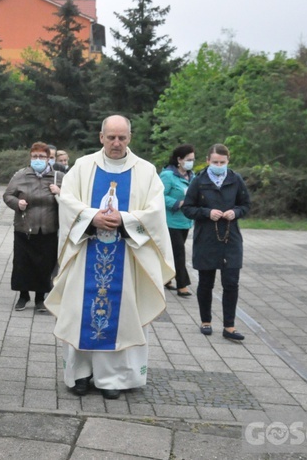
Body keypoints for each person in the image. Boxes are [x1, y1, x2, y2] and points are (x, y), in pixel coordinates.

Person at [45, 115, 174, 400]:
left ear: (130, 137)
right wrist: (92, 218)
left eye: (122, 137)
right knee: (81, 311)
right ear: (101, 136)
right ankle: (80, 375)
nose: (116, 143)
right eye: (111, 137)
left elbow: (155, 212)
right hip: (87, 252)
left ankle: (113, 379)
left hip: (126, 258)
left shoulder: (146, 171)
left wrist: (125, 220)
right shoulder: (83, 166)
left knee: (123, 314)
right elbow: (66, 200)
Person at [182, 143, 251, 342]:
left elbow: (245, 204)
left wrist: (235, 212)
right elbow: (188, 208)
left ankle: (229, 326)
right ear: (208, 161)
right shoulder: (199, 180)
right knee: (206, 282)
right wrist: (206, 212)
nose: (219, 165)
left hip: (231, 238)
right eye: (215, 162)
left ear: (228, 161)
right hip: (206, 238)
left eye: (222, 162)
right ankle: (206, 321)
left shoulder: (235, 179)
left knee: (231, 282)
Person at [3, 142, 63, 313]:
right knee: (23, 263)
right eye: (34, 156)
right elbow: (7, 195)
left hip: (48, 229)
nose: (38, 159)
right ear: (30, 157)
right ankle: (23, 297)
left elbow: (71, 199)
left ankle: (40, 298)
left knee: (45, 265)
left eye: (42, 157)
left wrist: (59, 192)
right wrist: (17, 203)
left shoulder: (58, 177)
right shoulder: (21, 175)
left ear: (48, 159)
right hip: (24, 228)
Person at [160, 144, 196, 296]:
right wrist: (177, 203)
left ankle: (165, 278)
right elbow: (159, 195)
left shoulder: (192, 176)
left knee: (172, 251)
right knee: (179, 253)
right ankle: (182, 284)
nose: (191, 162)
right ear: (179, 160)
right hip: (170, 221)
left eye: (193, 160)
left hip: (185, 221)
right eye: (188, 159)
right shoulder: (168, 175)